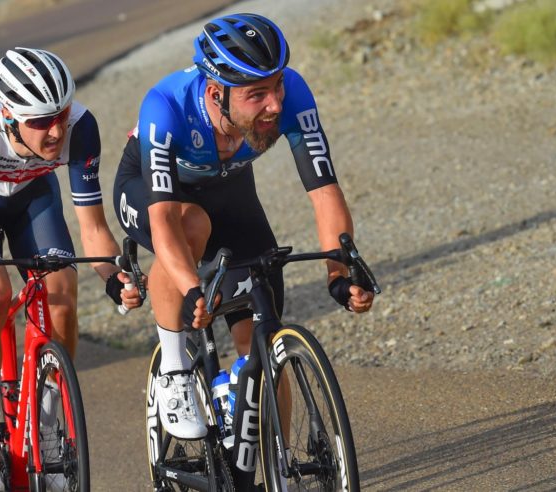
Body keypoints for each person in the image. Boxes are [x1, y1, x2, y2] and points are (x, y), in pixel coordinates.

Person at [113, 12, 374, 446]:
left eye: (277, 86)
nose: (275, 103)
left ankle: (276, 465)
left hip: (229, 191)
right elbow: (163, 222)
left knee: (263, 337)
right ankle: (175, 371)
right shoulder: (167, 106)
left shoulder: (293, 95)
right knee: (188, 224)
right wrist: (190, 287)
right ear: (217, 93)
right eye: (257, 94)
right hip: (150, 191)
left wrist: (339, 273)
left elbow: (325, 190)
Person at [0, 47, 142, 491]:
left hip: (32, 192)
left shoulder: (81, 128)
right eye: (41, 121)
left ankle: (48, 425)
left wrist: (112, 278)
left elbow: (93, 227)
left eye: (61, 115)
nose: (56, 130)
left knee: (63, 290)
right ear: (8, 116)